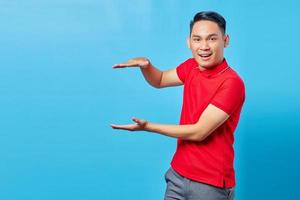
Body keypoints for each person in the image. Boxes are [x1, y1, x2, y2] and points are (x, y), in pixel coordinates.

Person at [111, 11, 245, 200]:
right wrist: (146, 66)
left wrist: (149, 127)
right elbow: (161, 79)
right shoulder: (191, 67)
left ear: (226, 40)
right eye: (197, 39)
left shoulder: (232, 83)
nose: (204, 46)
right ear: (189, 42)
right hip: (178, 175)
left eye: (212, 39)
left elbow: (199, 132)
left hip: (211, 184)